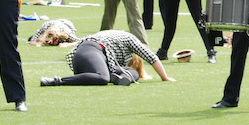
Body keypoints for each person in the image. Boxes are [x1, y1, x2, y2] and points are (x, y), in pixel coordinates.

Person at [39, 29, 174, 86]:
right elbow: (151, 57)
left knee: (130, 74)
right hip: (92, 50)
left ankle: (117, 76)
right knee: (103, 78)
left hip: (83, 58)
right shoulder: (130, 39)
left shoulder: (113, 40)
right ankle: (56, 81)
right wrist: (165, 77)